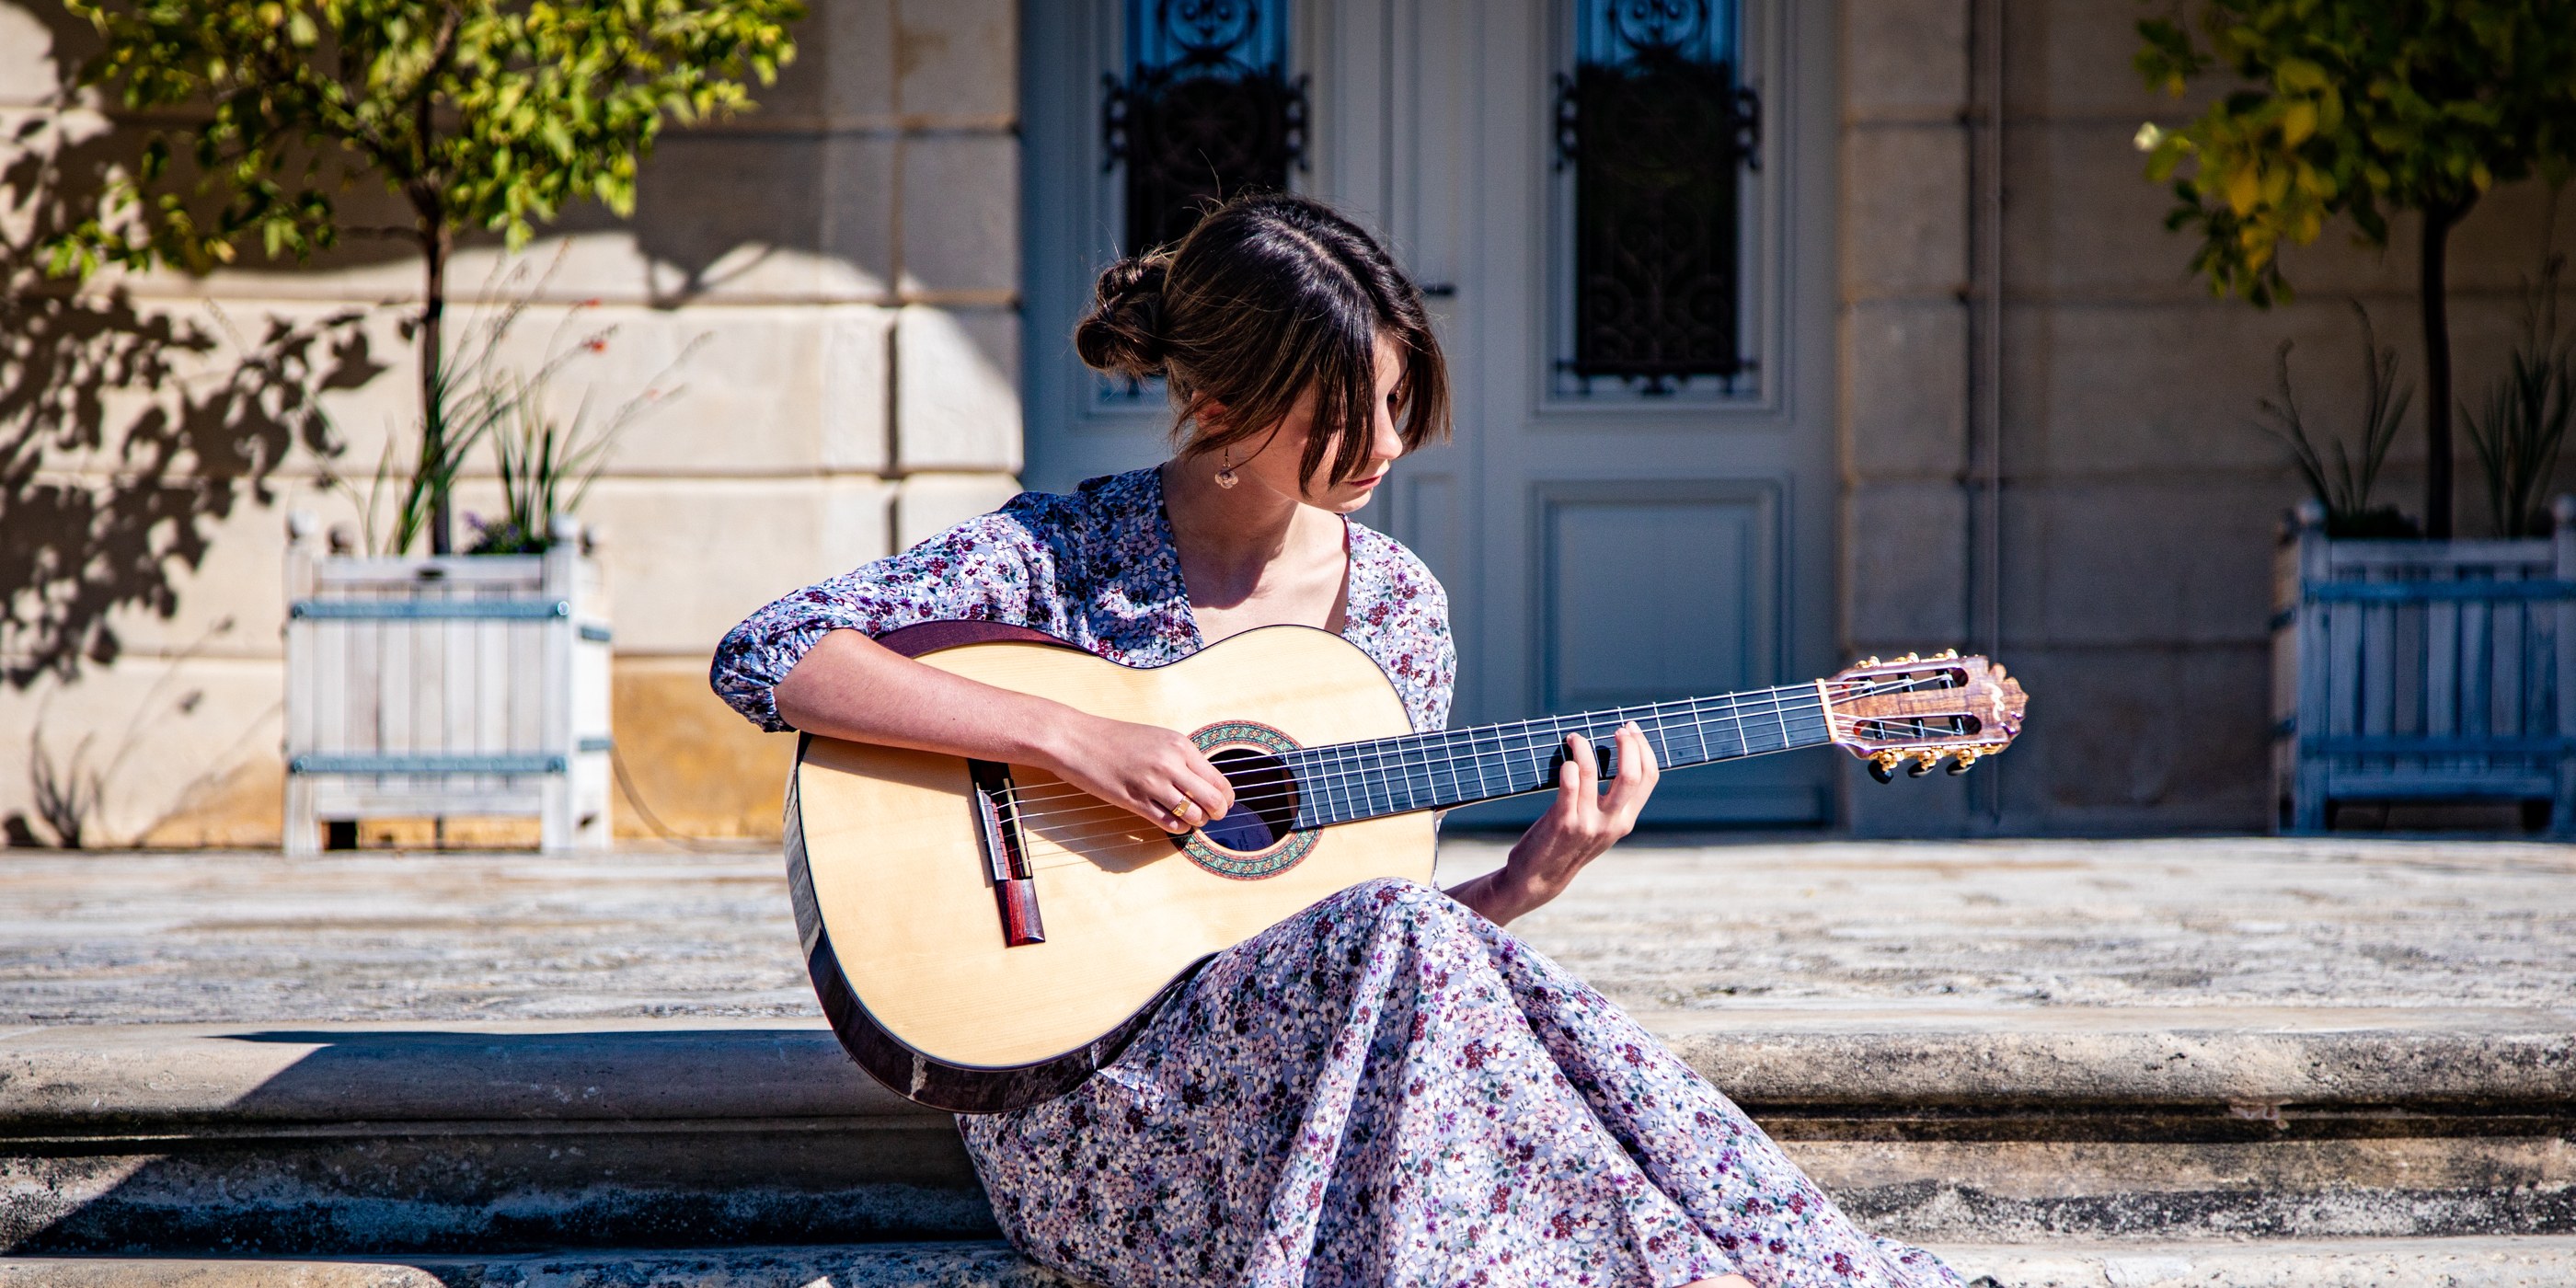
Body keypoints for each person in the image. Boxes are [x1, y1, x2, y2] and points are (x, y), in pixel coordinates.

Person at [711, 192, 1963, 1288]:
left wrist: (1521, 886)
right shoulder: (1062, 554)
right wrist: (1071, 737)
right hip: (1094, 1115)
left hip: (1302, 1106)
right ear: (1212, 402)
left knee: (1417, 944)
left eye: (1401, 398)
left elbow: (1355, 960)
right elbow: (768, 652)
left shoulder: (1398, 612)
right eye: (1342, 413)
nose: (1386, 443)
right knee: (1417, 978)